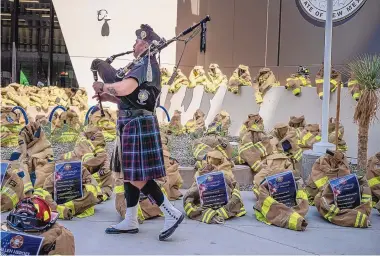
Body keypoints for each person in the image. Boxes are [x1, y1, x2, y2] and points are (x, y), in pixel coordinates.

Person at [92, 24, 184, 241]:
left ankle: (170, 211)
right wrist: (109, 98)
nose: (134, 44)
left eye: (138, 41)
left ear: (146, 45)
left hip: (137, 124)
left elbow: (124, 88)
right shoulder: (142, 65)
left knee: (137, 175)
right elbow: (130, 97)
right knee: (129, 172)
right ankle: (131, 219)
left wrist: (104, 87)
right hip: (131, 121)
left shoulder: (145, 63)